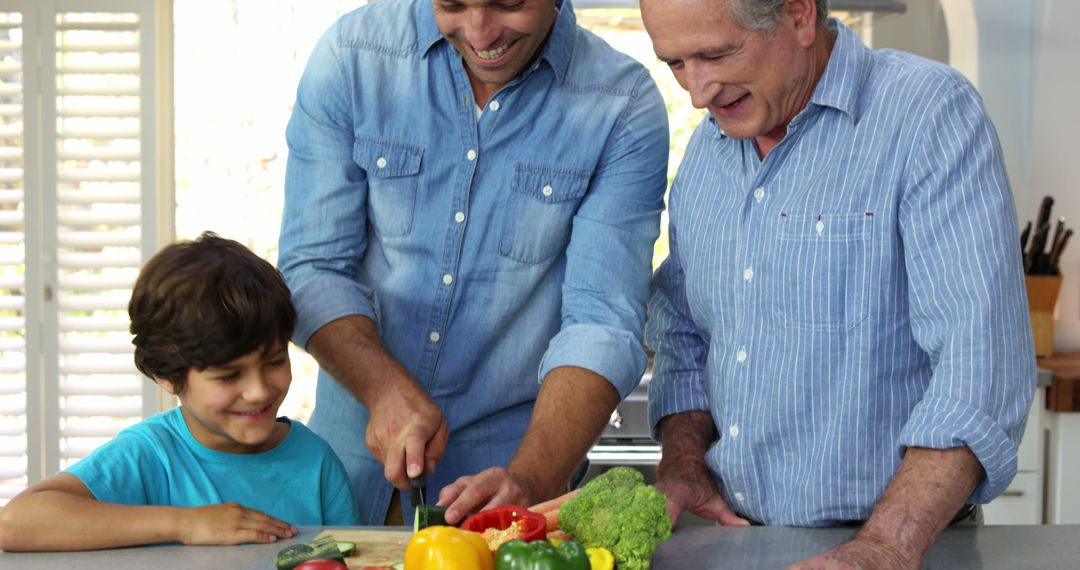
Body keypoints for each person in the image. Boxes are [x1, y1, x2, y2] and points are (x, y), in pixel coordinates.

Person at [640, 0, 1035, 567]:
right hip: (737, 540)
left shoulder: (927, 114)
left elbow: (982, 366)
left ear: (799, 16)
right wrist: (684, 464)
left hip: (903, 548)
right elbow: (685, 338)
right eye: (676, 63)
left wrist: (883, 546)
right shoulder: (705, 153)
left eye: (716, 54)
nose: (698, 92)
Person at [278, 0, 669, 526]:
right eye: (453, 5)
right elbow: (312, 266)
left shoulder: (621, 104)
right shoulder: (354, 56)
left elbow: (600, 322)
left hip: (517, 478)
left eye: (508, 3)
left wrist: (529, 479)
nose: (480, 31)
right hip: (343, 479)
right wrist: (383, 388)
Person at [0, 232, 358, 552]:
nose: (258, 390)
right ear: (167, 376)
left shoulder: (317, 462)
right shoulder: (150, 454)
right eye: (229, 376)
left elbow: (358, 558)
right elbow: (14, 523)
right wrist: (188, 523)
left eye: (275, 361)